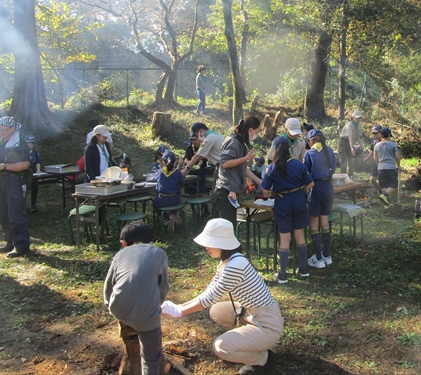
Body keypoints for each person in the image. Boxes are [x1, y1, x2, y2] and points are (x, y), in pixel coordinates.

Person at [160, 219, 282, 375]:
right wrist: (179, 306)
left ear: (222, 243)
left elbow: (210, 298)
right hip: (251, 312)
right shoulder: (227, 262)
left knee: (220, 347)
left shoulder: (235, 265)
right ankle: (249, 341)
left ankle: (262, 358)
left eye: (210, 243)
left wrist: (180, 311)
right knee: (216, 311)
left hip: (267, 323)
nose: (206, 247)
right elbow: (209, 290)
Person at [103, 221, 169, 375]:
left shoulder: (119, 255)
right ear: (151, 241)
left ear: (123, 243)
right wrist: (154, 306)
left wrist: (110, 306)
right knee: (151, 357)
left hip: (118, 309)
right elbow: (164, 287)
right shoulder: (159, 253)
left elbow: (108, 285)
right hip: (147, 316)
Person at [261, 136, 314, 283]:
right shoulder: (298, 164)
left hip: (282, 201)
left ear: (276, 151)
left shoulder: (272, 167)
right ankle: (303, 270)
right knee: (300, 236)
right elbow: (310, 184)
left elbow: (265, 191)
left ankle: (283, 274)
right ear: (289, 149)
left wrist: (273, 192)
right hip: (298, 200)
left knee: (285, 238)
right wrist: (300, 192)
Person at [0, 117, 31, 257]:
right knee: (3, 213)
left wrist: (4, 166)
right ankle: (10, 242)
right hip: (0, 181)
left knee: (15, 213)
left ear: (13, 129)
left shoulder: (20, 144)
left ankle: (21, 245)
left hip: (15, 181)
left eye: (4, 130)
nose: (1, 132)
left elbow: (25, 165)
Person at [213, 116, 262, 227]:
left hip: (232, 192)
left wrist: (259, 181)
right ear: (250, 130)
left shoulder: (240, 143)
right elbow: (225, 163)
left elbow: (243, 167)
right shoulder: (233, 141)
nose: (256, 135)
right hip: (224, 192)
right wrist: (246, 158)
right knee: (226, 229)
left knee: (230, 228)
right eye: (257, 131)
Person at [303, 129, 337, 269]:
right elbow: (333, 169)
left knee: (314, 223)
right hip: (329, 188)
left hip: (316, 188)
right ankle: (326, 255)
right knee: (325, 221)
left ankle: (318, 258)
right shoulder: (329, 151)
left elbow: (305, 172)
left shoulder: (309, 153)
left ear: (311, 140)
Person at [181, 122, 225, 190]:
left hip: (222, 166)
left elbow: (198, 156)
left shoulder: (209, 138)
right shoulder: (216, 134)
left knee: (218, 190)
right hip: (223, 164)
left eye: (196, 135)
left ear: (200, 131)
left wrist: (186, 169)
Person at [153, 151, 183, 234]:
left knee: (154, 204)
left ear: (163, 162)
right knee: (177, 199)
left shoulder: (159, 172)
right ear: (175, 162)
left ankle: (167, 217)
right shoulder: (177, 173)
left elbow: (156, 180)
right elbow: (181, 184)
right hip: (175, 199)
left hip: (162, 200)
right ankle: (173, 216)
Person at [373, 128, 401, 207]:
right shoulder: (392, 144)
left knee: (383, 186)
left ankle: (386, 204)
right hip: (391, 167)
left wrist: (379, 164)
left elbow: (375, 159)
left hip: (381, 168)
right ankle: (384, 195)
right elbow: (397, 157)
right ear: (389, 135)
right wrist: (398, 166)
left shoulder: (376, 145)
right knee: (393, 185)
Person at [338, 110, 363, 176]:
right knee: (343, 162)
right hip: (343, 143)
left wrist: (361, 145)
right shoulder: (349, 125)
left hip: (350, 143)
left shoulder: (358, 126)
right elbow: (350, 137)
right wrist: (352, 148)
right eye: (357, 118)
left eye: (359, 118)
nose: (358, 119)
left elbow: (357, 137)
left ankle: (350, 177)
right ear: (353, 117)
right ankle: (343, 178)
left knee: (351, 162)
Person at [183, 130, 205, 196]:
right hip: (190, 169)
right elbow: (185, 159)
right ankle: (192, 204)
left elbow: (202, 160)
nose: (194, 142)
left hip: (201, 169)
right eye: (192, 140)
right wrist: (189, 163)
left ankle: (204, 205)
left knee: (200, 191)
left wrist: (196, 166)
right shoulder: (189, 148)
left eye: (195, 140)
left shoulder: (203, 147)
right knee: (191, 190)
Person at [363, 124, 383, 196]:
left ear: (381, 132)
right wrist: (367, 158)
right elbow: (372, 150)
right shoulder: (374, 140)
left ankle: (384, 194)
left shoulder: (385, 140)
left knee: (382, 179)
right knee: (372, 179)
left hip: (383, 162)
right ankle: (380, 190)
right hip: (375, 161)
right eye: (374, 133)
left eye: (376, 133)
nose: (375, 135)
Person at [26, 135, 42, 212]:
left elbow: (38, 162)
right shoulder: (22, 152)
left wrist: (38, 170)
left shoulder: (35, 153)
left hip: (33, 173)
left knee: (35, 188)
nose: (30, 145)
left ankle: (33, 204)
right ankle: (23, 206)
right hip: (24, 173)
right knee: (24, 190)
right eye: (28, 143)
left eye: (32, 143)